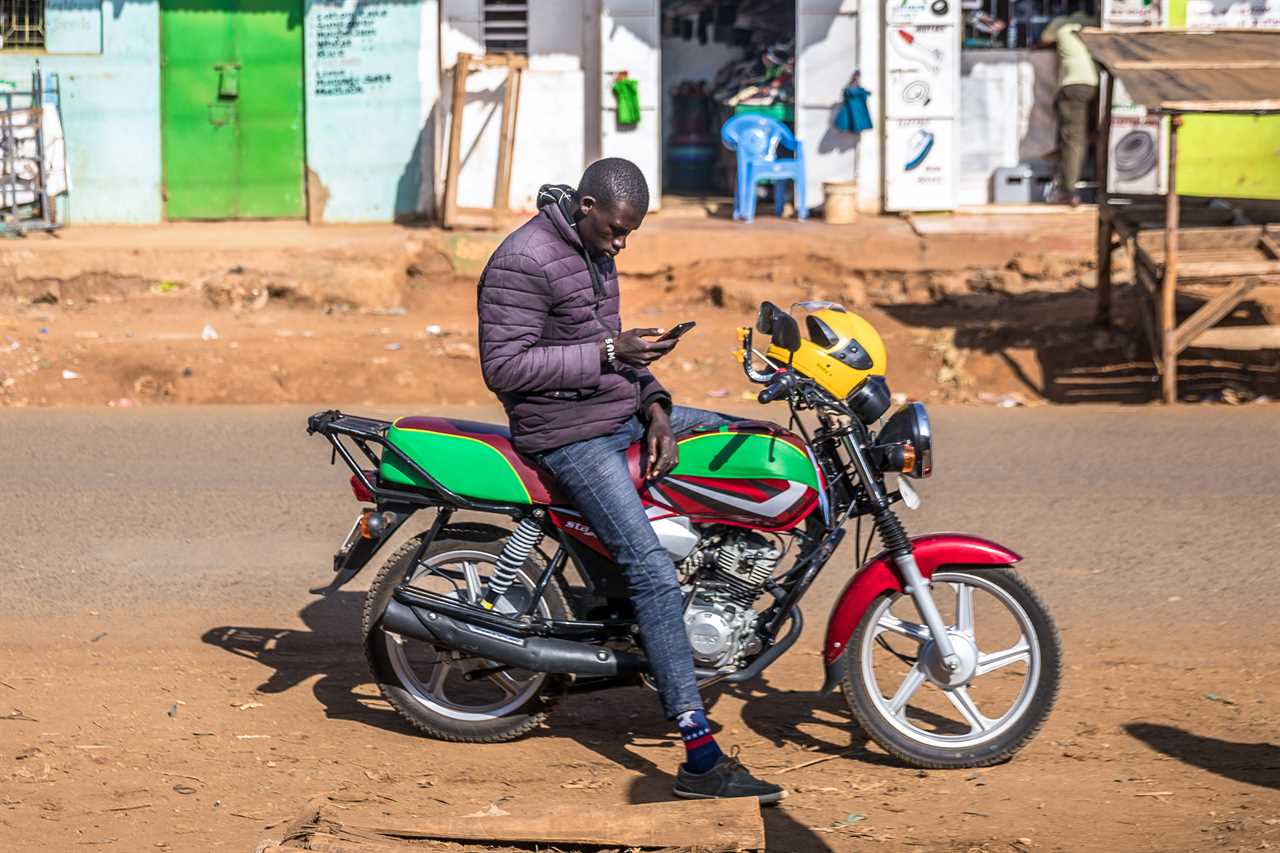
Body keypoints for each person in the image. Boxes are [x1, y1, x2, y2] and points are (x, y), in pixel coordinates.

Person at [476, 157, 784, 803]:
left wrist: (657, 404)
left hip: (615, 410)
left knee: (747, 440)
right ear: (587, 206)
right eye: (617, 230)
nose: (621, 244)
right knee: (648, 564)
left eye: (630, 235)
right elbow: (503, 366)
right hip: (567, 433)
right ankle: (697, 752)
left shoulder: (591, 248)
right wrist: (611, 355)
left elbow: (610, 343)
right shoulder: (521, 260)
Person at [1040, 12, 1100, 206]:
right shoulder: (1095, 22)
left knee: (1073, 140)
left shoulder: (1060, 23)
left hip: (1073, 84)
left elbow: (1043, 40)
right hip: (1096, 84)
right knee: (1093, 136)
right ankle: (1099, 187)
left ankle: (1068, 191)